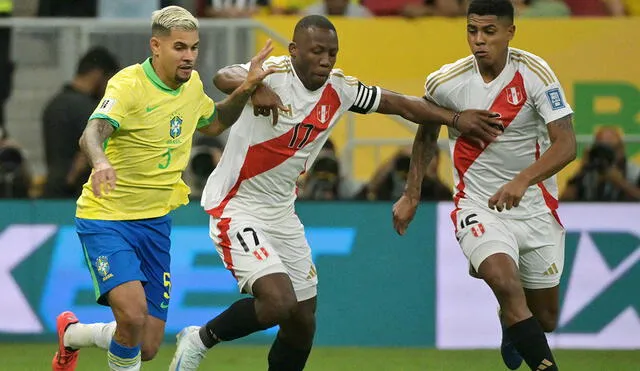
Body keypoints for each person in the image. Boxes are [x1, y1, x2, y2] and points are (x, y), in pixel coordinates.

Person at [168, 14, 504, 371]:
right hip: (236, 207)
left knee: (302, 320)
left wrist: (454, 119)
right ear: (294, 50)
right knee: (277, 302)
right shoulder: (275, 74)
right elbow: (224, 76)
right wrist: (254, 86)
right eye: (316, 52)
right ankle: (200, 338)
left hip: (282, 212)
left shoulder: (340, 89)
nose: (326, 60)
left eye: (332, 53)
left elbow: (401, 103)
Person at [50, 5, 278, 371]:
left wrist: (247, 90)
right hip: (108, 218)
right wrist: (101, 161)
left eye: (194, 47)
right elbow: (92, 132)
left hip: (155, 223)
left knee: (148, 345)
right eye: (180, 48)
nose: (189, 56)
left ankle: (73, 335)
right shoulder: (128, 85)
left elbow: (216, 122)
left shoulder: (192, 86)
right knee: (133, 316)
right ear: (156, 46)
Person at [392, 1, 576, 370]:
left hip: (535, 207)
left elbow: (567, 145)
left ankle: (512, 325)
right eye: (472, 31)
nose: (479, 41)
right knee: (503, 281)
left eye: (489, 32)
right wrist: (412, 194)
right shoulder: (445, 82)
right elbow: (426, 136)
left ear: (510, 31)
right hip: (478, 205)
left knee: (546, 319)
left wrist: (522, 181)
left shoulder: (536, 73)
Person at [42, 47, 120, 199]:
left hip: (52, 189)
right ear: (98, 75)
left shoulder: (54, 103)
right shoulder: (90, 109)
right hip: (77, 192)